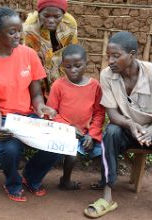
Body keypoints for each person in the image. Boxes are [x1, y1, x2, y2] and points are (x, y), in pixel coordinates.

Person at [83, 32, 152, 219]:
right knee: (110, 134)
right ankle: (106, 198)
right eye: (108, 56)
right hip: (125, 127)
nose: (110, 61)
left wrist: (150, 132)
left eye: (116, 56)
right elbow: (113, 114)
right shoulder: (107, 75)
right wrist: (131, 125)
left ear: (132, 55)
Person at [0, 6, 61, 202]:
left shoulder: (28, 55)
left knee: (56, 143)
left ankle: (31, 178)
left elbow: (36, 95)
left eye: (19, 30)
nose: (18, 36)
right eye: (12, 32)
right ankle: (12, 182)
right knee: (10, 147)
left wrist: (41, 108)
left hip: (25, 118)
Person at [47, 44, 105, 190]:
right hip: (65, 132)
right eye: (68, 66)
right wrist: (69, 128)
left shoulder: (95, 86)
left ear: (86, 63)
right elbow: (51, 113)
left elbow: (99, 113)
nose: (73, 70)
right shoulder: (58, 85)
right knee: (71, 154)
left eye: (78, 66)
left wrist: (92, 134)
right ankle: (65, 181)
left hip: (88, 134)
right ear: (63, 66)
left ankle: (105, 182)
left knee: (105, 152)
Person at [23, 0, 78, 98]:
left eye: (57, 17)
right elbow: (28, 57)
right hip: (39, 68)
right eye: (46, 16)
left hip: (61, 68)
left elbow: (72, 51)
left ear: (63, 15)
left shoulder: (70, 24)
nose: (51, 20)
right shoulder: (30, 27)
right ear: (39, 13)